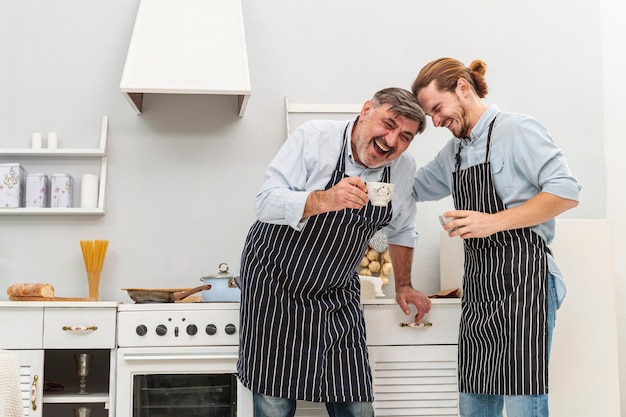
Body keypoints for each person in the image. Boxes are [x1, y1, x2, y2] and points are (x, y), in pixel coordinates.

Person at [237, 87, 432, 417]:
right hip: (276, 285)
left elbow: (401, 229)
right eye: (388, 124)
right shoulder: (314, 138)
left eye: (405, 136)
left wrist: (403, 285)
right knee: (275, 403)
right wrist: (324, 199)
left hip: (337, 291)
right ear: (366, 110)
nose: (392, 140)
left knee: (356, 404)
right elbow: (265, 203)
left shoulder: (402, 168)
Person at [410, 57, 581, 417]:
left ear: (461, 86)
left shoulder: (517, 129)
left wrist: (494, 222)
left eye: (437, 109)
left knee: (522, 397)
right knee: (474, 398)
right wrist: (370, 173)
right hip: (479, 284)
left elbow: (566, 191)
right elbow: (414, 187)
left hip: (526, 281)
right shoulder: (453, 152)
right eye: (430, 116)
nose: (437, 122)